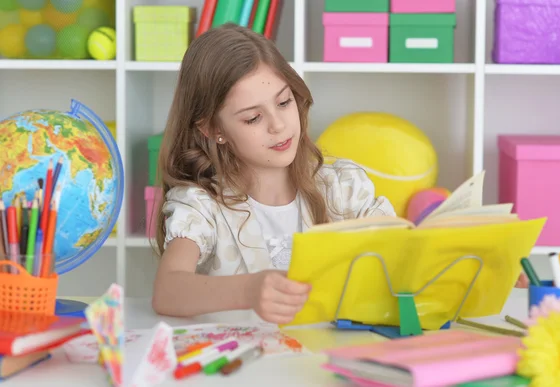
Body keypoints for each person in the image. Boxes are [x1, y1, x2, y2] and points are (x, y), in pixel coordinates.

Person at [151, 23, 396, 324]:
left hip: (323, 365)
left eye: (284, 102)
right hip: (243, 368)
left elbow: (401, 257)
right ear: (213, 129)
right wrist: (249, 290)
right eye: (253, 118)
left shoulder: (343, 188)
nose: (278, 125)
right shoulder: (202, 205)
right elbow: (167, 290)